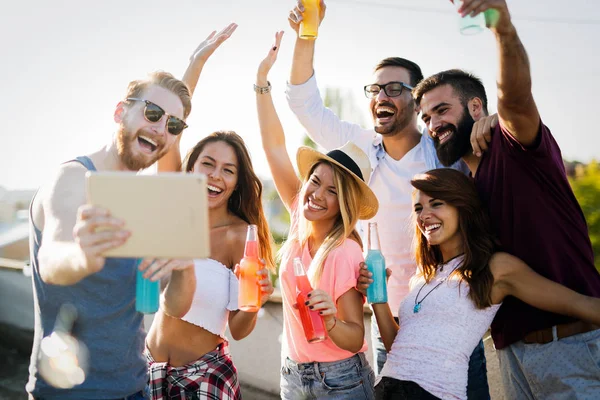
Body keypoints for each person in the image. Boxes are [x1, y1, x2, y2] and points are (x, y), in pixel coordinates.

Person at [286, 1, 493, 398]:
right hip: (389, 322)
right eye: (375, 88)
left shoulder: (447, 151)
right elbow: (303, 104)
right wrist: (305, 36)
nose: (382, 95)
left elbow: (492, 141)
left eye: (395, 88)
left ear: (417, 104)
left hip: (452, 321)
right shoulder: (360, 147)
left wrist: (492, 121)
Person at [412, 1, 600, 397]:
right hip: (512, 359)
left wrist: (502, 27)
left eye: (442, 110)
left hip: (572, 346)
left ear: (476, 106)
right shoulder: (460, 190)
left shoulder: (515, 150)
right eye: (426, 118)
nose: (433, 125)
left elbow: (515, 98)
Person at [27, 70, 195, 398]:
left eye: (173, 125)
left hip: (134, 388)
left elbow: (174, 307)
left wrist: (185, 267)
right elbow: (50, 260)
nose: (161, 128)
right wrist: (82, 256)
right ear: (120, 112)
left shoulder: (145, 201)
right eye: (152, 113)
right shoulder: (74, 179)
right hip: (67, 391)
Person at [363, 168, 600, 400]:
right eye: (418, 208)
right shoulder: (421, 277)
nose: (424, 215)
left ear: (462, 207)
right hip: (386, 389)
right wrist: (379, 299)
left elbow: (580, 304)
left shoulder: (494, 268)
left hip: (434, 392)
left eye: (436, 204)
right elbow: (399, 347)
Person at [144, 25, 275, 399]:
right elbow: (170, 128)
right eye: (208, 163)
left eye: (228, 170)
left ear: (236, 182)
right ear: (190, 169)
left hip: (204, 379)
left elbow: (240, 327)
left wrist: (257, 302)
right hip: (147, 370)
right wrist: (196, 61)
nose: (216, 175)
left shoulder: (241, 236)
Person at [257, 31, 376, 399]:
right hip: (294, 373)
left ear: (344, 205)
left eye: (332, 192)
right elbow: (275, 147)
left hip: (339, 379)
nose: (317, 195)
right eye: (315, 182)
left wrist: (330, 320)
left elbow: (354, 335)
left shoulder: (344, 251)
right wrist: (262, 83)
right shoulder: (299, 215)